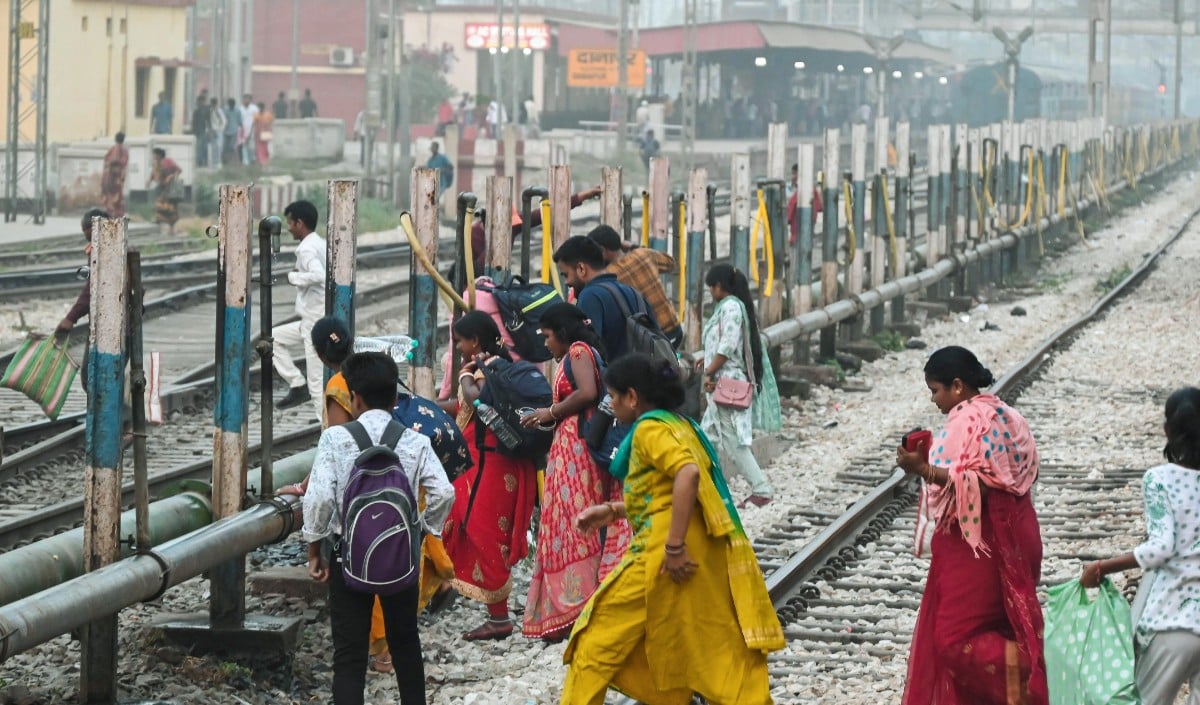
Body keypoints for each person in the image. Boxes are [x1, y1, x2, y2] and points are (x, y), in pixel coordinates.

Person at [560, 353, 783, 703]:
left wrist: (673, 547)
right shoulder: (679, 425)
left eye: (614, 397)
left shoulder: (649, 429)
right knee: (713, 651)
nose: (612, 405)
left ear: (633, 397)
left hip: (659, 559)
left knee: (594, 645)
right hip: (698, 550)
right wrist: (613, 511)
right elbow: (663, 494)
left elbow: (687, 475)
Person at [895, 345, 1047, 705]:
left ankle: (1031, 682)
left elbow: (976, 482)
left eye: (936, 390)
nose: (935, 401)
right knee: (1001, 625)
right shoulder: (1007, 414)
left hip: (978, 542)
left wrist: (922, 469)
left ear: (958, 386)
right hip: (1019, 531)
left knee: (953, 639)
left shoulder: (965, 419)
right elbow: (1021, 472)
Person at [301, 352, 454, 705]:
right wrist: (424, 530)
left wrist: (314, 548)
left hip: (347, 556)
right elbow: (444, 492)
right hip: (403, 557)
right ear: (395, 398)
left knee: (349, 654)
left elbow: (319, 499)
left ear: (355, 398)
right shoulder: (415, 441)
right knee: (405, 643)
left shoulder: (336, 440)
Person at [1081, 387, 1200, 705]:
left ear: (1168, 430)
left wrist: (1101, 567)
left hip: (1173, 621)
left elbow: (1162, 547)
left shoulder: (1160, 479)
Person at [520, 303, 630, 642]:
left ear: (564, 333)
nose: (546, 345)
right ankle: (569, 608)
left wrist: (549, 411)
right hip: (570, 443)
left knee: (574, 524)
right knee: (568, 523)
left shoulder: (579, 352)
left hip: (578, 450)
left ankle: (577, 606)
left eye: (548, 337)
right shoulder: (576, 353)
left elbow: (588, 393)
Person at [432, 312, 538, 641]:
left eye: (461, 340)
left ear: (475, 341)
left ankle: (499, 618)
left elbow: (474, 401)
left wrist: (464, 375)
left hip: (492, 467)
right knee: (465, 526)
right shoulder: (499, 364)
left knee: (484, 536)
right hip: (498, 465)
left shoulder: (480, 371)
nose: (459, 346)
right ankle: (449, 583)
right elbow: (466, 411)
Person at [699, 264, 773, 507]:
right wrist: (707, 360)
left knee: (732, 441)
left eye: (712, 286)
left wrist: (709, 371)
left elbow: (728, 346)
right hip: (723, 382)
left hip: (726, 384)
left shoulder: (730, 307)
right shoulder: (731, 307)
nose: (711, 291)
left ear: (720, 286)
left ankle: (761, 489)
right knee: (706, 437)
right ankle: (707, 491)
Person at [553, 235, 660, 363]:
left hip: (615, 381)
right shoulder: (633, 293)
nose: (566, 282)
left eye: (566, 275)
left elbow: (587, 355)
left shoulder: (589, 297)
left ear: (581, 269)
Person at [272, 200, 327, 421]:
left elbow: (319, 276)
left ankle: (327, 432)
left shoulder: (306, 248)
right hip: (313, 317)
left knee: (316, 382)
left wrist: (293, 277)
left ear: (300, 223)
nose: (288, 228)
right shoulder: (319, 243)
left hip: (314, 318)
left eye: (290, 223)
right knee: (273, 337)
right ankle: (296, 382)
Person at [466, 186, 601, 275]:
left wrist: (581, 196)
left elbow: (544, 213)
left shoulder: (511, 225)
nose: (508, 230)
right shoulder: (473, 236)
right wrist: (495, 244)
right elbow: (476, 270)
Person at [587, 225, 682, 349]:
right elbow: (671, 263)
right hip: (674, 329)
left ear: (602, 250)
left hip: (650, 340)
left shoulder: (608, 275)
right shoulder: (643, 254)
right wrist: (633, 247)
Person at [54, 208, 109, 339]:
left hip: (112, 324)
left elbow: (93, 288)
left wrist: (70, 319)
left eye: (84, 229)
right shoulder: (116, 244)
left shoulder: (102, 250)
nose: (84, 233)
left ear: (92, 228)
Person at [786, 163, 824, 246]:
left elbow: (788, 216)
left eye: (794, 174)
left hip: (796, 235)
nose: (792, 177)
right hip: (809, 233)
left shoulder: (797, 196)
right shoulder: (812, 190)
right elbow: (820, 207)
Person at [147, 148, 183, 234]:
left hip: (170, 189)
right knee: (159, 206)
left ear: (159, 155)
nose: (153, 156)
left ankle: (172, 229)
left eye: (155, 154)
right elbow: (153, 173)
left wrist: (171, 176)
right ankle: (159, 223)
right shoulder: (155, 164)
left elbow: (179, 170)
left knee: (171, 209)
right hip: (161, 188)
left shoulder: (168, 162)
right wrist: (149, 180)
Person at [100, 134, 128, 218]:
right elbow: (122, 162)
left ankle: (112, 213)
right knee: (116, 195)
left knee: (111, 195)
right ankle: (114, 214)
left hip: (110, 176)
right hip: (115, 177)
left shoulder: (112, 149)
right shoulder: (123, 151)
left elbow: (107, 161)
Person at [238, 94, 259, 165]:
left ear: (250, 100)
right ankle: (245, 162)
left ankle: (252, 160)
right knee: (243, 145)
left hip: (252, 129)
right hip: (242, 130)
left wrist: (252, 130)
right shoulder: (240, 109)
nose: (245, 100)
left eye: (247, 99)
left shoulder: (254, 108)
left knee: (251, 146)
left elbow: (256, 120)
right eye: (244, 99)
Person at [191, 95, 210, 167]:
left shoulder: (206, 110)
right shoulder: (196, 111)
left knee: (204, 147)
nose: (199, 103)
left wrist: (209, 130)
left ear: (203, 102)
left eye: (200, 101)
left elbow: (209, 121)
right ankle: (200, 162)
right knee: (199, 147)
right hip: (197, 131)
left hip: (204, 131)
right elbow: (194, 122)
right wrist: (193, 130)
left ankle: (204, 161)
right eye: (198, 101)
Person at [207, 97, 227, 168]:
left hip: (218, 130)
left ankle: (218, 162)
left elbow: (224, 121)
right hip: (212, 130)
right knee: (213, 146)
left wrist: (220, 129)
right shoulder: (210, 110)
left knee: (219, 146)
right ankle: (214, 161)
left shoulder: (219, 110)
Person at [222, 98, 241, 165]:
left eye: (232, 105)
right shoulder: (225, 110)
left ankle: (232, 161)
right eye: (230, 105)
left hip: (233, 131)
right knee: (225, 147)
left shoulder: (237, 111)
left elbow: (240, 121)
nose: (231, 106)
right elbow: (223, 119)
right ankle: (225, 161)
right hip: (226, 131)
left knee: (232, 146)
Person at [255, 102, 274, 166]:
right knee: (260, 148)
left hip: (266, 133)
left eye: (260, 108)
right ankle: (262, 162)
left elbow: (271, 124)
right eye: (258, 108)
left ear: (263, 108)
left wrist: (270, 131)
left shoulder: (268, 114)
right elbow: (255, 125)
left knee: (266, 148)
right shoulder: (256, 115)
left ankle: (265, 162)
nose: (259, 109)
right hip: (259, 133)